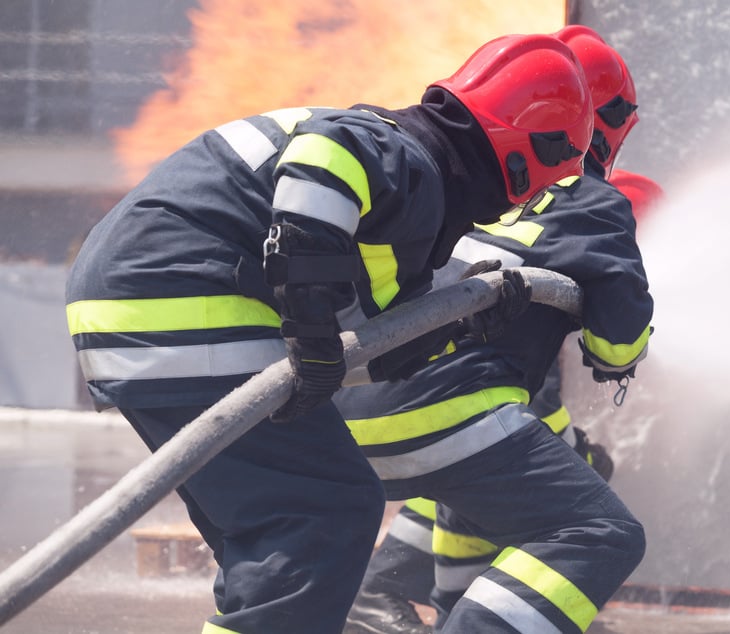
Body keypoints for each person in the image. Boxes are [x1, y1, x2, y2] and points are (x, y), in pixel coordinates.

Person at [64, 33, 594, 634]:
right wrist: (310, 321)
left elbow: (376, 342)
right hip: (180, 293)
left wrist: (465, 320)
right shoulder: (404, 154)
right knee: (324, 512)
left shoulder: (403, 192)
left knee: (278, 546)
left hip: (141, 301)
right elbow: (329, 153)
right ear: (527, 157)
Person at [336, 25, 652, 634]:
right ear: (603, 122)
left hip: (349, 402)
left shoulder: (480, 178)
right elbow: (616, 346)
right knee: (603, 531)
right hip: (439, 408)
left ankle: (458, 610)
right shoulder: (591, 202)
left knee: (479, 474)